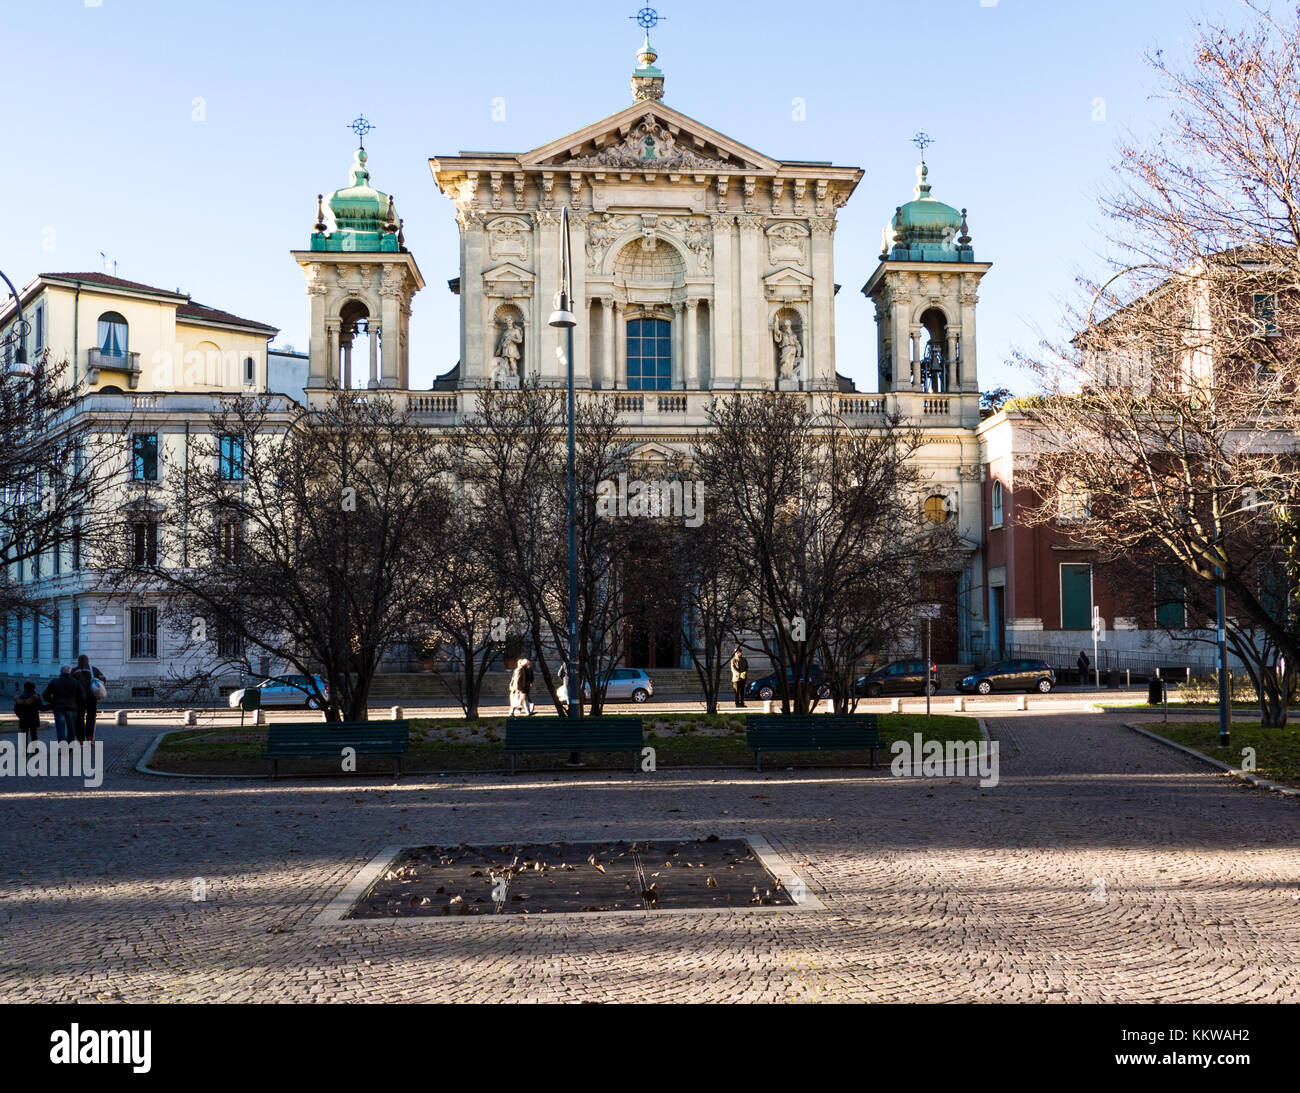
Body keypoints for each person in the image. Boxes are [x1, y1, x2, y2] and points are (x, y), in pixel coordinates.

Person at [71, 655, 107, 743]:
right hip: (91, 697)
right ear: (87, 661)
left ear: (78, 661)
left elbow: (70, 684)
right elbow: (103, 680)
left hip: (79, 698)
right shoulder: (93, 669)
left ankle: (80, 739)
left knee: (79, 718)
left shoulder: (74, 671)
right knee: (91, 717)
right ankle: (90, 737)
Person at [42, 667, 82, 744]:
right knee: (72, 728)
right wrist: (76, 703)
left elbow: (45, 695)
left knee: (60, 729)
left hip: (58, 708)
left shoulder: (54, 682)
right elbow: (82, 696)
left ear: (61, 672)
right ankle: (71, 744)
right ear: (70, 672)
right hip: (72, 708)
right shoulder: (76, 682)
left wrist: (53, 702)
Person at [13, 682, 42, 755]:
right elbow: (41, 707)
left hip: (23, 718)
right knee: (34, 734)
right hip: (33, 718)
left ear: (24, 688)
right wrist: (51, 706)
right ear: (33, 688)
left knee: (23, 734)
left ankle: (24, 751)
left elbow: (16, 709)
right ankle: (34, 750)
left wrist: (20, 716)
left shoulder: (20, 697)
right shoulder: (36, 697)